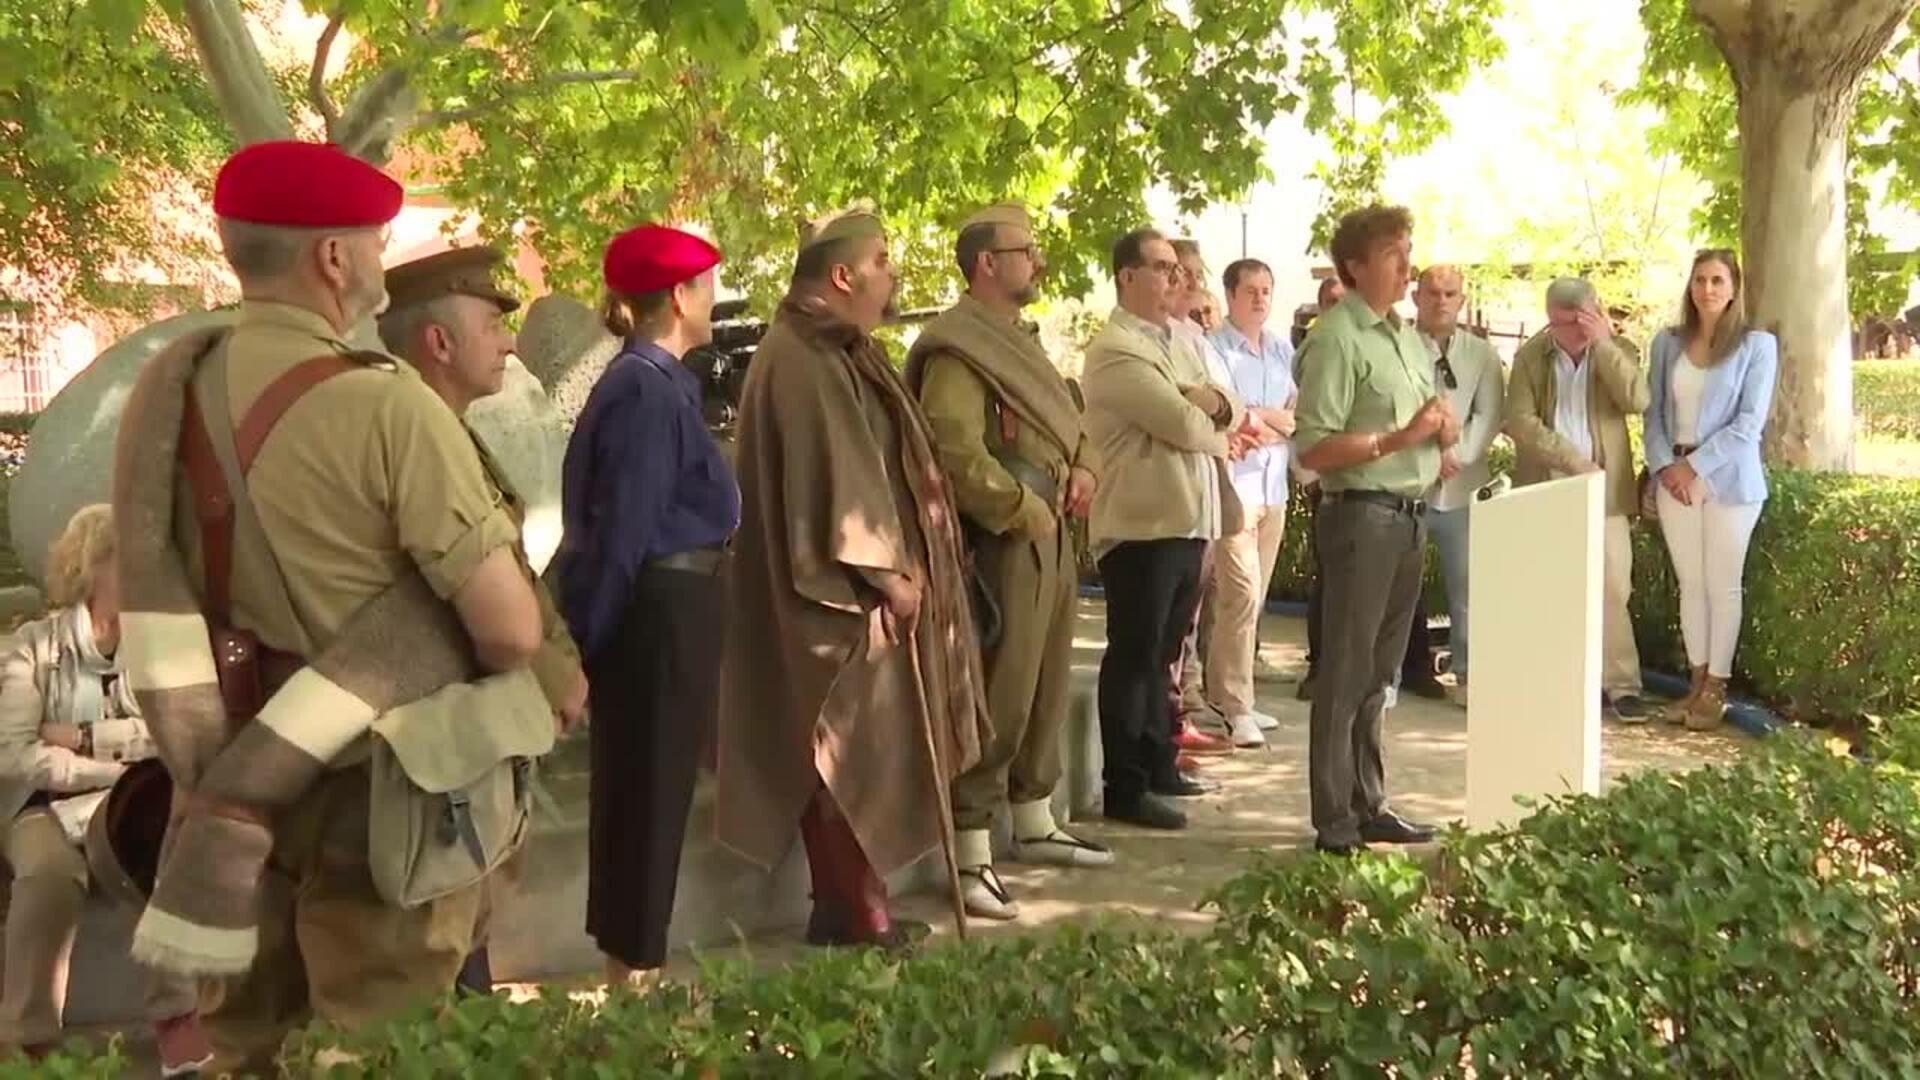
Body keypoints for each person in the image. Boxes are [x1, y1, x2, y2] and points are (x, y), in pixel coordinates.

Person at [113, 141, 546, 1073]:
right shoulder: (388, 410)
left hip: (233, 790)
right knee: (381, 1054)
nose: (383, 264)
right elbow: (511, 632)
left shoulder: (168, 394)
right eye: (376, 242)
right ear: (333, 258)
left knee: (247, 1051)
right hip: (378, 798)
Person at [716, 207, 990, 950]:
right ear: (842, 276)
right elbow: (836, 480)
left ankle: (851, 903)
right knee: (847, 750)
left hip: (859, 592)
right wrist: (888, 573)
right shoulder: (803, 357)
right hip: (839, 599)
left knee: (862, 746)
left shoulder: (831, 348)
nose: (893, 276)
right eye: (882, 262)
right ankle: (851, 910)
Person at [376, 247, 590, 995]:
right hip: (441, 740)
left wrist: (558, 668)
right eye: (491, 324)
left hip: (476, 731)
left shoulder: (449, 431)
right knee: (442, 939)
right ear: (438, 343)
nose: (508, 341)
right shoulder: (415, 437)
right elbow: (486, 598)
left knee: (472, 920)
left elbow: (513, 568)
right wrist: (550, 669)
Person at [906, 203, 1112, 922]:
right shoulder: (958, 346)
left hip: (1050, 527)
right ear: (986, 264)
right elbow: (953, 445)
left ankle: (1034, 817)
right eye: (1026, 251)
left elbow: (1070, 419)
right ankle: (971, 853)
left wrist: (1082, 467)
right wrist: (1016, 506)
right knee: (1004, 687)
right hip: (1007, 537)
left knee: (1049, 677)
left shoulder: (1016, 340)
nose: (1039, 262)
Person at [552, 225, 739, 983]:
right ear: (678, 296)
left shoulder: (659, 382)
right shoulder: (640, 387)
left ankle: (635, 964)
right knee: (647, 793)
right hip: (657, 609)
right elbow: (621, 528)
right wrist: (588, 645)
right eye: (707, 285)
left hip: (674, 606)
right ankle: (635, 974)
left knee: (652, 788)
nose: (715, 299)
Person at [0, 507, 208, 1074]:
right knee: (47, 876)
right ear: (92, 567)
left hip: (133, 804)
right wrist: (111, 771)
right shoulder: (30, 649)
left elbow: (175, 735)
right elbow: (16, 755)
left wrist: (85, 737)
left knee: (172, 851)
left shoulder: (157, 647)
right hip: (43, 809)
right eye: (129, 559)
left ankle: (178, 1022)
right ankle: (25, 1043)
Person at [1293, 205, 1451, 856]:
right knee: (1346, 670)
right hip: (1361, 518)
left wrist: (1441, 435)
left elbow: (1426, 415)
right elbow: (1313, 448)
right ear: (1355, 267)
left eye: (1408, 250)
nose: (1407, 265)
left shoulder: (1406, 337)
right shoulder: (1336, 337)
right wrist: (1398, 438)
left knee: (1380, 675)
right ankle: (1334, 817)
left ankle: (1369, 801)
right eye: (1393, 253)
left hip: (1410, 519)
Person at [1083, 228, 1246, 831]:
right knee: (1134, 654)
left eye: (1177, 269)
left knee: (1165, 657)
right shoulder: (1114, 348)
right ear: (1127, 275)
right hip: (1141, 526)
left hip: (1188, 521)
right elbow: (1182, 422)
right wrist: (1207, 413)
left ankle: (1158, 762)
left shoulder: (1177, 340)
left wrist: (1206, 402)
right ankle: (1123, 784)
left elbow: (1225, 397)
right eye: (1160, 268)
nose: (1174, 279)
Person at [1505, 277, 1653, 722]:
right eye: (1558, 324)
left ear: (1594, 313)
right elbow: (1520, 421)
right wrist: (1573, 461)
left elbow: (1637, 398)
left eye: (1576, 323)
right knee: (1549, 586)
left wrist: (1602, 345)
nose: (1567, 334)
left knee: (1613, 587)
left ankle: (1621, 685)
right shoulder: (1531, 356)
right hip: (1547, 485)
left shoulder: (1618, 349)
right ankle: (1556, 678)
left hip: (1606, 494)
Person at [1643, 249, 1778, 729]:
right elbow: (1652, 412)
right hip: (1672, 479)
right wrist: (1665, 467)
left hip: (1730, 482)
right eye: (1700, 279)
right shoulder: (1667, 342)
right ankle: (1695, 681)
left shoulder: (1756, 346)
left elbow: (1748, 424)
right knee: (1691, 585)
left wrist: (1694, 467)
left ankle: (1717, 687)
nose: (1708, 289)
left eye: (1718, 280)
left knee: (1723, 586)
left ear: (1734, 287)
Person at [1204, 258, 1295, 747]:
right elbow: (1231, 415)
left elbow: (1298, 415)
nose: (1260, 298)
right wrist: (1263, 418)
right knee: (1239, 594)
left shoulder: (1281, 348)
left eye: (1267, 289)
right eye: (1251, 290)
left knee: (1251, 601)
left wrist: (1265, 417)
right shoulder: (1213, 348)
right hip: (1234, 487)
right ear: (1232, 295)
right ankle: (1233, 706)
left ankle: (1236, 695)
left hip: (1273, 486)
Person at [1410, 265, 1504, 708]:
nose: (1441, 301)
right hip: (1408, 482)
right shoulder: (1400, 346)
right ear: (1416, 297)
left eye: (1450, 294)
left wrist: (1457, 454)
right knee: (1396, 585)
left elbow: (1489, 415)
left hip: (1463, 486)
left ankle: (1467, 672)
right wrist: (1429, 456)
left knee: (1468, 586)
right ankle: (1390, 674)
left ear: (1461, 300)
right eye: (1432, 292)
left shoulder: (1481, 354)